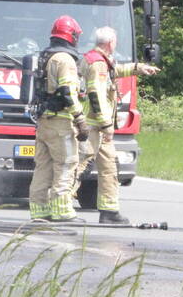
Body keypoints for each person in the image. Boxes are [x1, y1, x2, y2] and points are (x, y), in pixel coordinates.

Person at [81, 26, 159, 224]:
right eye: (115, 41)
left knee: (109, 168)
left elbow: (115, 71)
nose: (116, 44)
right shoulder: (98, 63)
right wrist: (106, 123)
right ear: (110, 43)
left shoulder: (101, 61)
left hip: (100, 128)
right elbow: (96, 94)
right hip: (94, 127)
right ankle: (60, 206)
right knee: (79, 166)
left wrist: (138, 68)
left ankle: (109, 211)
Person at [28, 15, 91, 221]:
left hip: (44, 120)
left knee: (43, 167)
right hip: (60, 123)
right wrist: (80, 118)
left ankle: (39, 210)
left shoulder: (46, 57)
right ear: (71, 36)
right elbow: (67, 91)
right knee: (66, 163)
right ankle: (62, 210)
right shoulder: (64, 59)